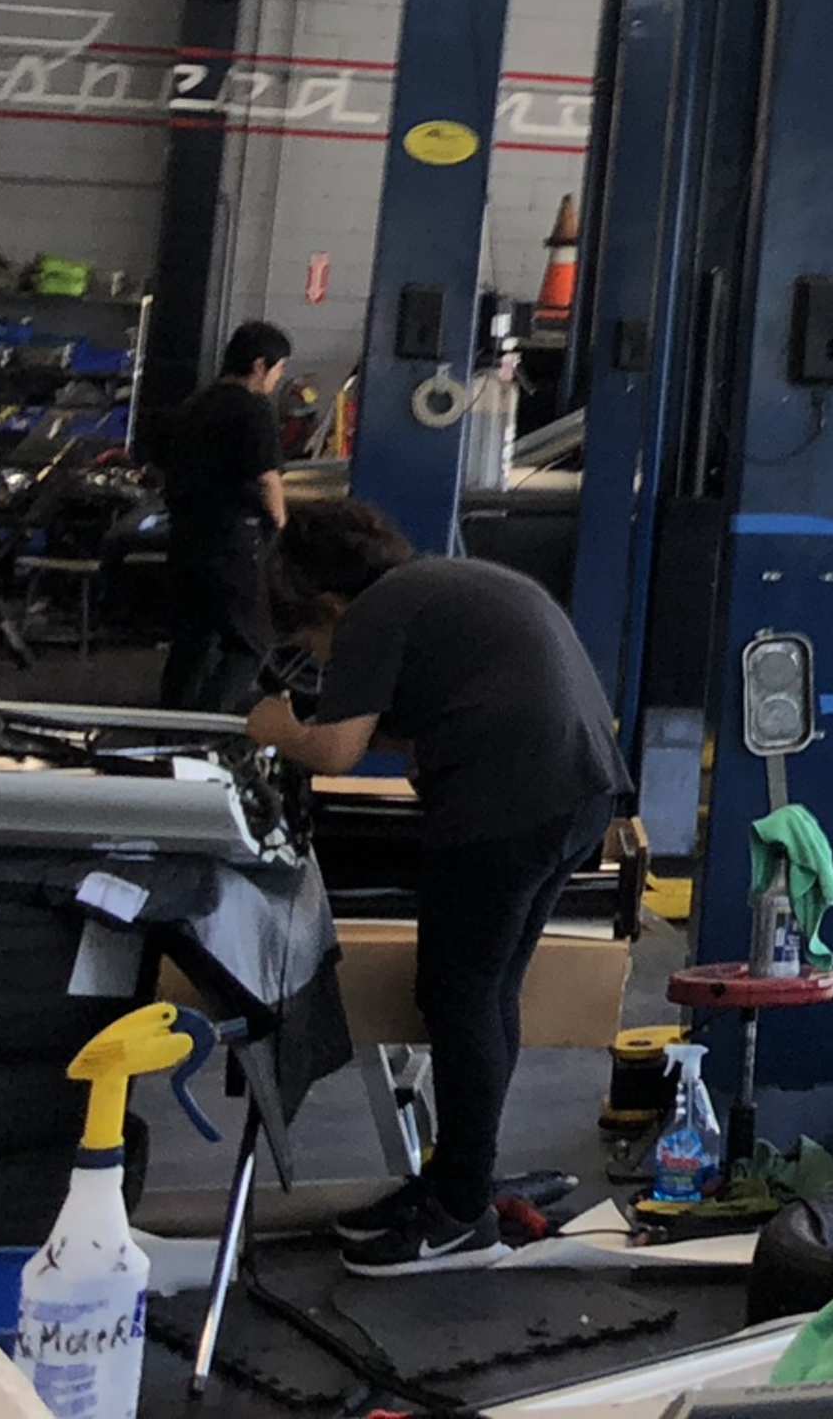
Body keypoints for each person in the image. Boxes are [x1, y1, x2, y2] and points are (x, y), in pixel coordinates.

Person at [247, 498, 628, 1274]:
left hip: (506, 803)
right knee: (488, 995)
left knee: (458, 997)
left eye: (309, 644)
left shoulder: (370, 616)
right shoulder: (443, 583)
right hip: (580, 793)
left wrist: (273, 727)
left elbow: (334, 751)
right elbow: (423, 716)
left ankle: (456, 1213)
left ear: (325, 605)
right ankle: (462, 1182)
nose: (320, 660)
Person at [156, 323, 291, 714]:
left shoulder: (195, 405)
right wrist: (279, 521)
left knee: (193, 640)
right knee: (252, 641)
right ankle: (208, 724)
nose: (279, 379)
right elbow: (267, 478)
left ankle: (171, 726)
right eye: (280, 369)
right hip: (232, 542)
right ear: (260, 366)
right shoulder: (253, 410)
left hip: (185, 538)